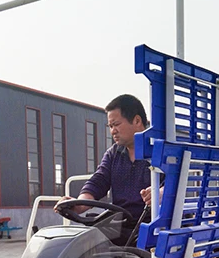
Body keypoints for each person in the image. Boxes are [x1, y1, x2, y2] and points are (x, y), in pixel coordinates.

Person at [55, 94, 159, 245]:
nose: (113, 131)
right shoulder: (113, 154)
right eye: (110, 126)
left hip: (150, 228)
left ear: (137, 121)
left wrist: (160, 194)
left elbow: (173, 186)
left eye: (116, 124)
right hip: (120, 224)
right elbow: (98, 182)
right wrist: (79, 203)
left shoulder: (160, 151)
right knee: (75, 243)